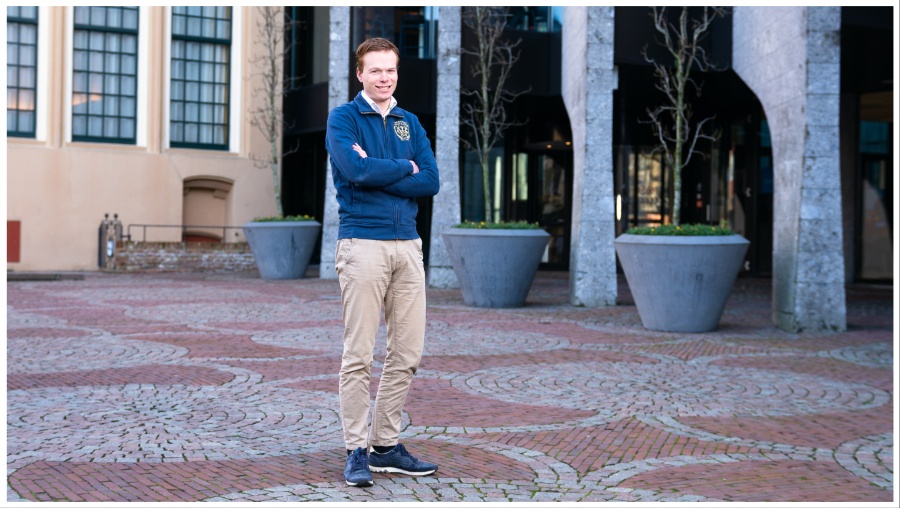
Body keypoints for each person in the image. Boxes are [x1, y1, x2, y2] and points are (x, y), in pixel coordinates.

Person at [324, 37, 441, 488]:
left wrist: (384, 168)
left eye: (390, 70)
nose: (384, 77)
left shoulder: (410, 122)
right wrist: (403, 168)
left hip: (408, 247)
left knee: (407, 353)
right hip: (362, 245)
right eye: (375, 70)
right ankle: (356, 449)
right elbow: (355, 173)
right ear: (360, 74)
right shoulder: (343, 119)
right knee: (359, 355)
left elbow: (429, 181)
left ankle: (386, 446)